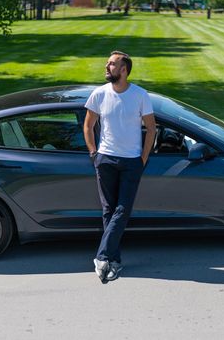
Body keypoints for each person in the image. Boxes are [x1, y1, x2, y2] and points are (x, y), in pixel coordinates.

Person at [83, 51, 156, 283]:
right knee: (108, 211)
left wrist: (143, 159)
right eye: (108, 63)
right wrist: (94, 153)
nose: (107, 66)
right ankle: (113, 262)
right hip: (105, 159)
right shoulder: (99, 94)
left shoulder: (140, 95)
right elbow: (88, 126)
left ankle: (101, 256)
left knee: (122, 210)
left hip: (131, 161)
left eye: (112, 64)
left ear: (123, 70)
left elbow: (151, 129)